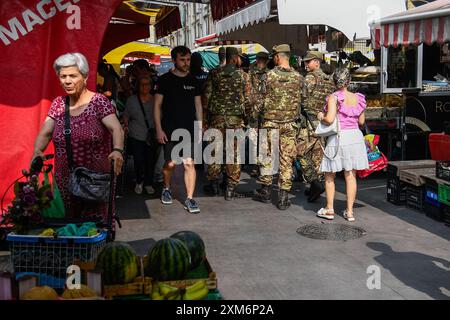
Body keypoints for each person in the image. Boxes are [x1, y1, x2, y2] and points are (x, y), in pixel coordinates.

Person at [33, 53, 124, 220]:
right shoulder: (58, 104)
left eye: (73, 76)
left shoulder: (99, 102)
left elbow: (116, 128)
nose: (67, 81)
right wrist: (37, 151)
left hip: (94, 182)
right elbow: (45, 132)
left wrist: (117, 150)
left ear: (85, 77)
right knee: (66, 229)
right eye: (63, 76)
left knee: (95, 228)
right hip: (64, 182)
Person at [154, 46, 203, 214]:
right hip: (169, 130)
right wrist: (159, 129)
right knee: (170, 164)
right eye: (182, 60)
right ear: (174, 60)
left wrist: (200, 127)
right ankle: (166, 188)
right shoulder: (164, 80)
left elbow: (198, 106)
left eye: (188, 59)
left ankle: (189, 198)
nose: (186, 63)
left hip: (189, 129)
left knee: (189, 163)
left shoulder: (194, 81)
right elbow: (157, 106)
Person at [253, 44, 302, 210]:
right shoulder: (298, 77)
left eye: (274, 55)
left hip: (270, 123)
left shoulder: (268, 76)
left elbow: (259, 101)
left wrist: (253, 118)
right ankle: (283, 197)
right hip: (290, 123)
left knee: (267, 156)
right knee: (286, 160)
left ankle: (266, 191)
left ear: (278, 57)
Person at [316, 68, 369, 222]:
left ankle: (329, 209)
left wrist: (321, 116)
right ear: (349, 81)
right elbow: (361, 122)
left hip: (339, 138)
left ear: (334, 81)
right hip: (355, 137)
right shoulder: (359, 98)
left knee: (329, 175)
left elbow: (330, 119)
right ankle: (350, 212)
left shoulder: (334, 97)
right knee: (351, 175)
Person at [203, 47, 252, 200]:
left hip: (216, 119)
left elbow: (206, 97)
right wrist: (248, 118)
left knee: (214, 151)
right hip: (235, 120)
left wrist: (205, 119)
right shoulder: (244, 76)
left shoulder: (214, 73)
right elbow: (249, 100)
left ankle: (214, 185)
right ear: (235, 58)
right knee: (233, 154)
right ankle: (230, 188)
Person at [299, 51, 335, 203]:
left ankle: (314, 182)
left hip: (309, 123)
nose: (306, 65)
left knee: (299, 152)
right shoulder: (329, 79)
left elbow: (301, 99)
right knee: (318, 157)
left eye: (309, 62)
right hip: (324, 124)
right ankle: (316, 187)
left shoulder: (309, 78)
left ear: (317, 62)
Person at [123, 76, 157, 195]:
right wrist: (126, 125)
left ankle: (148, 183)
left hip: (151, 136)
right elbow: (126, 115)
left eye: (147, 84)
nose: (145, 87)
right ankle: (139, 181)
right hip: (136, 134)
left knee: (150, 161)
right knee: (138, 160)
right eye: (142, 84)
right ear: (138, 86)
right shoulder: (131, 100)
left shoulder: (155, 100)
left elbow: (160, 116)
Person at [248, 52, 270, 177]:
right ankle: (255, 165)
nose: (261, 61)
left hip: (265, 111)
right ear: (256, 59)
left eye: (264, 59)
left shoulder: (270, 73)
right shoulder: (251, 73)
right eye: (259, 59)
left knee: (263, 139)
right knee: (253, 138)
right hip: (253, 111)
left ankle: (262, 164)